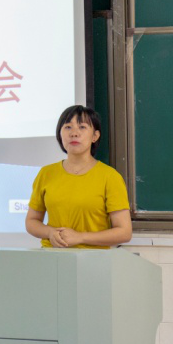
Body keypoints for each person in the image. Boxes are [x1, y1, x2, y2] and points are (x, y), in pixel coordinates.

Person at [25, 105, 132, 248]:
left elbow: (124, 232)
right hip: (52, 256)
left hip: (93, 258)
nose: (74, 133)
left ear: (95, 136)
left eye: (82, 127)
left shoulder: (110, 177)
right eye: (68, 127)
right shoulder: (46, 173)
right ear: (60, 134)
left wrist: (80, 237)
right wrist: (50, 233)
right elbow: (31, 221)